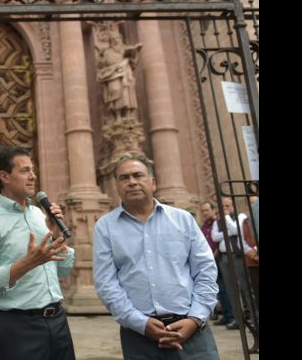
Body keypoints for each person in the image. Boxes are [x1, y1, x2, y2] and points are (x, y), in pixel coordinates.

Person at [93, 152, 219, 359]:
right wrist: (139, 323)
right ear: (116, 186)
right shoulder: (105, 227)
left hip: (192, 330)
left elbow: (205, 270)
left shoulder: (183, 220)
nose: (132, 182)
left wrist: (196, 318)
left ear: (152, 182)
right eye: (124, 178)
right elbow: (106, 283)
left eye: (137, 175)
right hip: (140, 336)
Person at [0, 146, 76, 360]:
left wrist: (56, 235)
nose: (33, 176)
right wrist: (27, 263)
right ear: (4, 176)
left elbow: (63, 272)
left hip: (57, 322)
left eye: (33, 170)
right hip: (18, 328)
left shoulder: (39, 214)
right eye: (25, 170)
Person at [211, 197, 256, 331]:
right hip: (224, 258)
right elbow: (215, 237)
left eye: (227, 206)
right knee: (231, 291)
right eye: (222, 206)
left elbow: (236, 230)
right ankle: (238, 320)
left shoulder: (240, 216)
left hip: (237, 256)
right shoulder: (217, 221)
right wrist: (228, 230)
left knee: (246, 288)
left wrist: (226, 218)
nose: (225, 208)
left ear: (232, 206)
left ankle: (255, 319)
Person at [94, 22, 143, 123]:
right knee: (115, 91)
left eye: (118, 39)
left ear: (121, 39)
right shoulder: (107, 52)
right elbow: (100, 66)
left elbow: (134, 64)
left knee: (128, 94)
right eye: (114, 40)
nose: (116, 41)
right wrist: (101, 56)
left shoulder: (125, 49)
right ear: (111, 41)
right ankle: (117, 116)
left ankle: (129, 116)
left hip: (126, 74)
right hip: (112, 75)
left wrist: (136, 53)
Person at [199, 201, 235, 327]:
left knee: (227, 288)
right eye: (202, 211)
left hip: (219, 258)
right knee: (219, 290)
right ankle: (226, 315)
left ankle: (232, 316)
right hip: (211, 262)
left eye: (206, 210)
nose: (204, 213)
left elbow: (223, 239)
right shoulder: (204, 227)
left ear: (214, 210)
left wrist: (214, 254)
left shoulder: (218, 223)